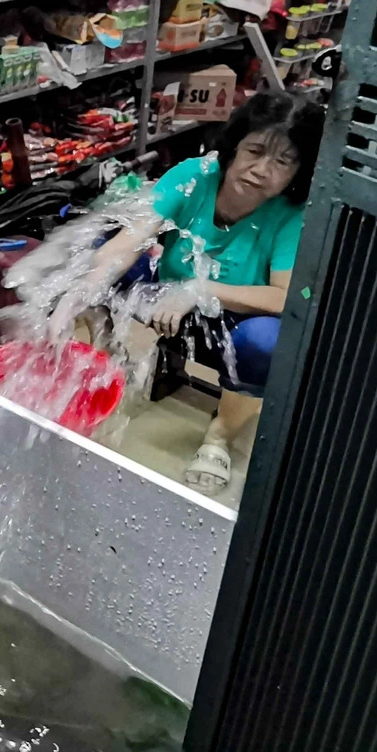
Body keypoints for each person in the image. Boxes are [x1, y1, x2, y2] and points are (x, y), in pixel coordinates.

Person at [64, 91, 325, 495]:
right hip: (168, 298)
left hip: (240, 319)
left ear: (299, 170)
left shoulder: (295, 214)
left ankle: (219, 435)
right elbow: (131, 237)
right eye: (255, 151)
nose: (262, 169)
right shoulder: (195, 176)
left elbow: (287, 297)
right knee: (99, 256)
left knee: (268, 343)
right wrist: (83, 285)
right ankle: (99, 376)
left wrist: (201, 290)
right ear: (235, 145)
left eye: (283, 161)